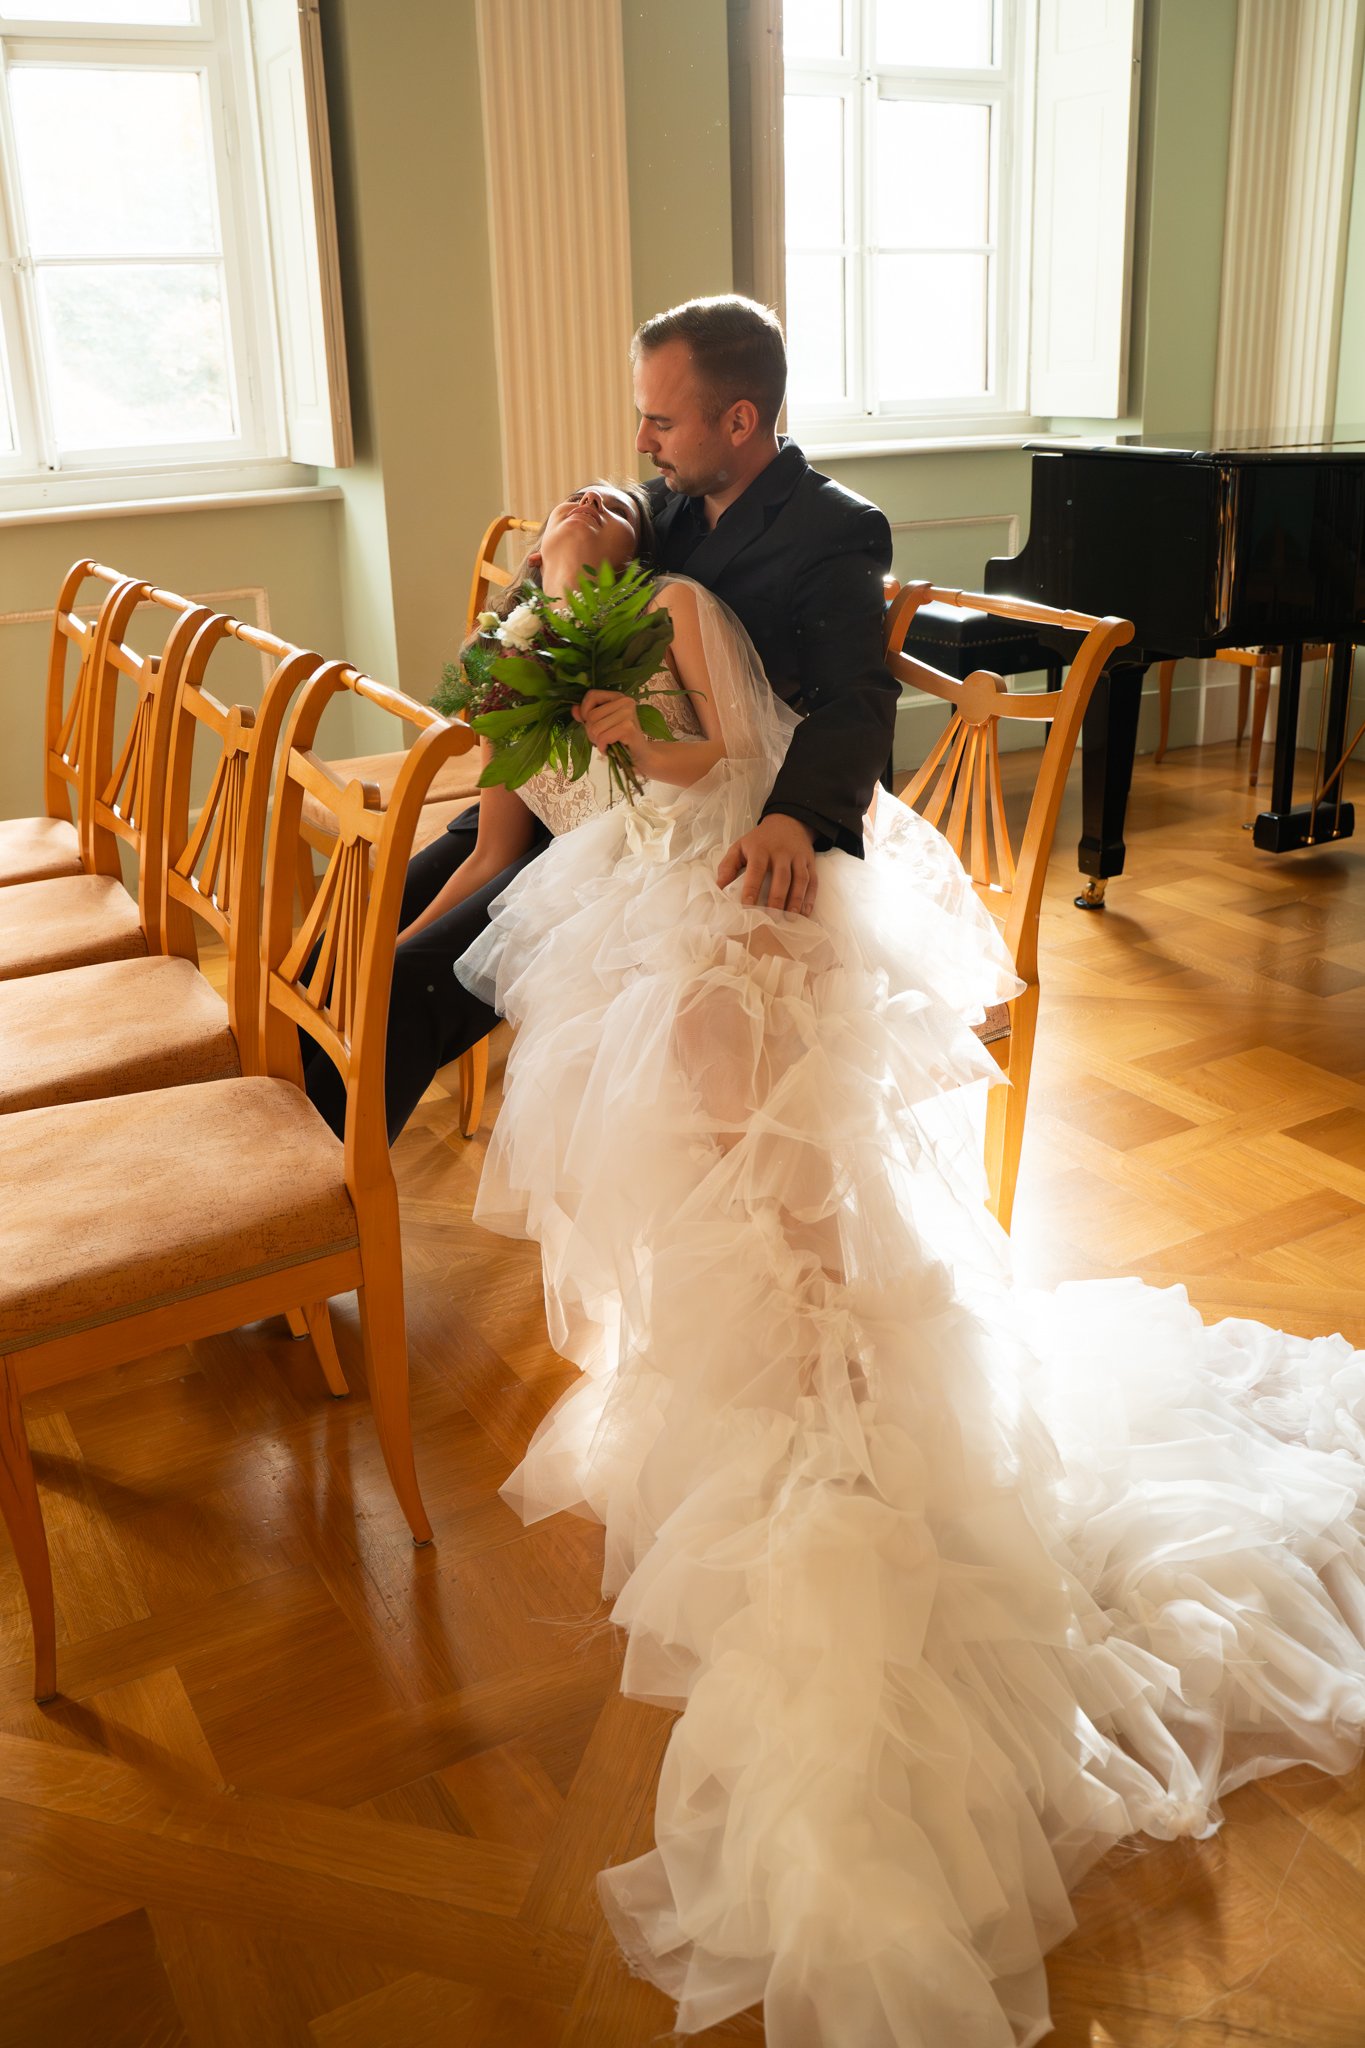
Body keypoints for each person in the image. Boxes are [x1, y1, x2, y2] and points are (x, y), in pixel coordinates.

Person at [455, 490, 1365, 2047]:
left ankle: (841, 1393)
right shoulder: (593, 610)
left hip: (751, 876)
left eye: (598, 509)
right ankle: (780, 1367)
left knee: (740, 1122)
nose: (592, 505)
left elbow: (719, 761)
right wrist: (566, 677)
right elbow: (570, 764)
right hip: (669, 885)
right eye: (562, 532)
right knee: (665, 1106)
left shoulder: (682, 602)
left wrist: (629, 731)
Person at [303, 295, 897, 1143]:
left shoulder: (832, 528)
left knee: (405, 984)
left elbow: (856, 697)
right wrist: (545, 577)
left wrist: (795, 817)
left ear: (739, 420)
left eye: (661, 420)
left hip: (680, 826)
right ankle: (258, 1137)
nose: (642, 441)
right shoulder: (666, 502)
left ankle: (321, 1193)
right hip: (569, 793)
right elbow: (559, 602)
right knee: (347, 925)